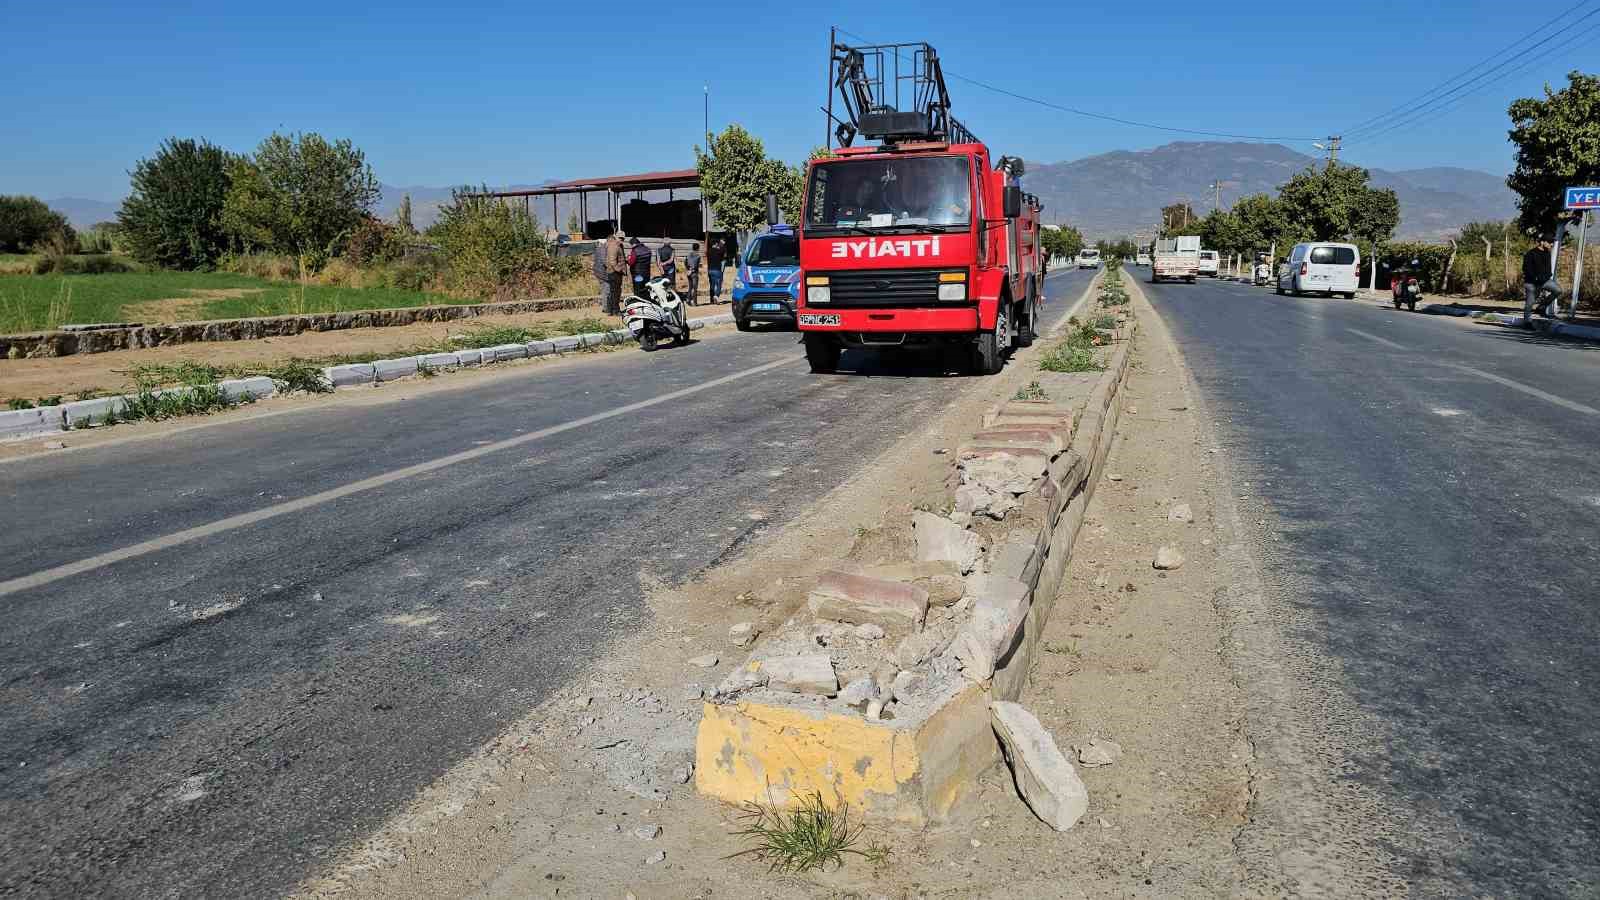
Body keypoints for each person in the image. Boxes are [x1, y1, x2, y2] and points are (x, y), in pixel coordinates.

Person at [1522, 236, 1554, 328]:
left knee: (1557, 290)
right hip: (1531, 282)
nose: (1551, 244)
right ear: (1542, 242)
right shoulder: (1531, 253)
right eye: (1549, 242)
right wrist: (1535, 278)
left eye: (1552, 242)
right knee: (1530, 302)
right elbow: (1526, 269)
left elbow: (1549, 269)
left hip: (1544, 281)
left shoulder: (1547, 253)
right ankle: (1527, 322)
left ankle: (1541, 307)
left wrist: (1547, 277)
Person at [603, 231, 627, 315]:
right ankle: (615, 310)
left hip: (614, 272)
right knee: (615, 292)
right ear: (616, 237)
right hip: (614, 272)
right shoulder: (614, 246)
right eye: (620, 238)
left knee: (614, 291)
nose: (622, 240)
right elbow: (612, 261)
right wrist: (619, 269)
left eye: (623, 238)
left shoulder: (618, 245)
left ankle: (610, 310)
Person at [628, 236, 653, 301]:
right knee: (645, 288)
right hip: (647, 273)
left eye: (631, 244)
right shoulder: (648, 249)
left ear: (633, 243)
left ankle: (638, 301)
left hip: (637, 273)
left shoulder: (634, 251)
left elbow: (631, 262)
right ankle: (647, 301)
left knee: (638, 289)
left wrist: (627, 259)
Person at [592, 235, 611, 314]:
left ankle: (606, 307)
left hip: (598, 272)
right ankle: (605, 308)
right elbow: (604, 261)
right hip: (603, 273)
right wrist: (612, 267)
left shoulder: (598, 249)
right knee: (606, 290)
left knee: (604, 290)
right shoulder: (603, 249)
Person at [707, 237, 727, 302]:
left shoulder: (708, 251)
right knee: (719, 283)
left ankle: (711, 299)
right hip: (717, 270)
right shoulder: (719, 251)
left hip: (710, 270)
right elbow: (723, 253)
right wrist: (722, 244)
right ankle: (716, 295)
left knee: (712, 285)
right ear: (716, 244)